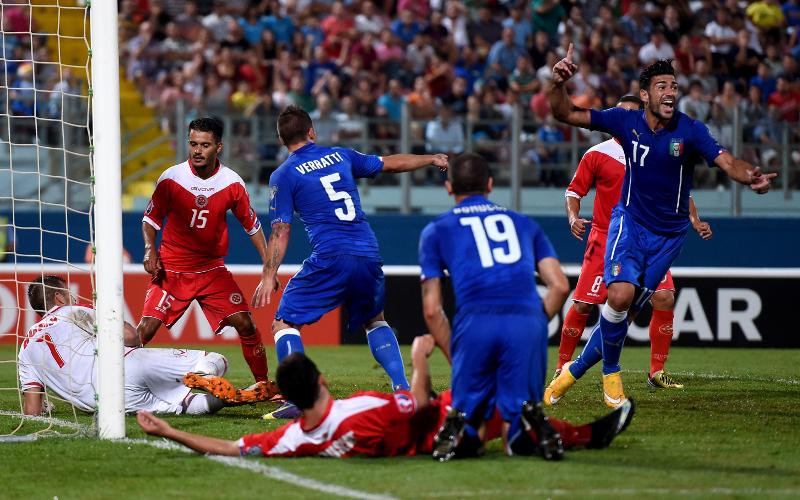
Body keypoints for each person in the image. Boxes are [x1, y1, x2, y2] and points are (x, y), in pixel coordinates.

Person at [546, 51, 775, 408]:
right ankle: (611, 373)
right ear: (645, 94)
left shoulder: (691, 130)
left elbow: (728, 162)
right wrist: (558, 83)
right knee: (618, 297)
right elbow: (565, 112)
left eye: (674, 85)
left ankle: (572, 372)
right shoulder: (626, 123)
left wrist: (751, 176)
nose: (670, 91)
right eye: (662, 85)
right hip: (629, 222)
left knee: (628, 311)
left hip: (669, 237)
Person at [136, 335, 635, 458]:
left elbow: (232, 448)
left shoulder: (295, 437)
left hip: (430, 430)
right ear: (323, 381)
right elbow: (418, 403)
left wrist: (169, 430)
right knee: (503, 387)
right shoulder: (363, 411)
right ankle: (587, 434)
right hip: (442, 429)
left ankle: (517, 436)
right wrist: (419, 358)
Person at [260, 105, 448, 419]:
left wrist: (269, 274)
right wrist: (431, 159)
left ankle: (298, 399)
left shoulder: (284, 174)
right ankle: (402, 388)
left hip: (331, 254)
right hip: (368, 251)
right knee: (375, 319)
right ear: (312, 132)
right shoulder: (341, 155)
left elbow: (281, 230)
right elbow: (389, 163)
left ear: (281, 140)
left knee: (284, 322)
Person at [418, 152, 605, 461]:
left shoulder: (436, 231)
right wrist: (533, 321)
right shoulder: (524, 224)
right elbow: (559, 286)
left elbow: (431, 310)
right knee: (518, 412)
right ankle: (521, 432)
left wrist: (457, 350)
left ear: (449, 188)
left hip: (474, 323)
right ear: (490, 185)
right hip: (525, 321)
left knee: (470, 412)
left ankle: (464, 430)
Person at [556, 95, 713, 390]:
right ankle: (560, 368)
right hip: (606, 237)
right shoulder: (596, 154)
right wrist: (572, 217)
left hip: (648, 237)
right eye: (622, 114)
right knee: (582, 306)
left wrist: (694, 220)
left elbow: (679, 193)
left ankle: (656, 372)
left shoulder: (655, 153)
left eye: (633, 114)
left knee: (664, 297)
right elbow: (574, 191)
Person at [137, 117, 273, 389]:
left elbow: (253, 227)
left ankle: (263, 385)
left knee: (246, 324)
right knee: (144, 331)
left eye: (205, 145)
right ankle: (108, 382)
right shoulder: (171, 178)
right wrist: (150, 249)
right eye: (193, 144)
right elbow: (151, 220)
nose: (197, 150)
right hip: (172, 270)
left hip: (211, 271)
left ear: (218, 147)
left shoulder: (232, 182)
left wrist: (269, 269)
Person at [19, 276, 273, 416]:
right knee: (215, 358)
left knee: (182, 407)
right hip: (124, 364)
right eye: (69, 294)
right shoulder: (71, 310)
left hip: (104, 402)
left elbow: (31, 410)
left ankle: (233, 398)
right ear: (59, 298)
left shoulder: (26, 347)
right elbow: (131, 336)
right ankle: (204, 376)